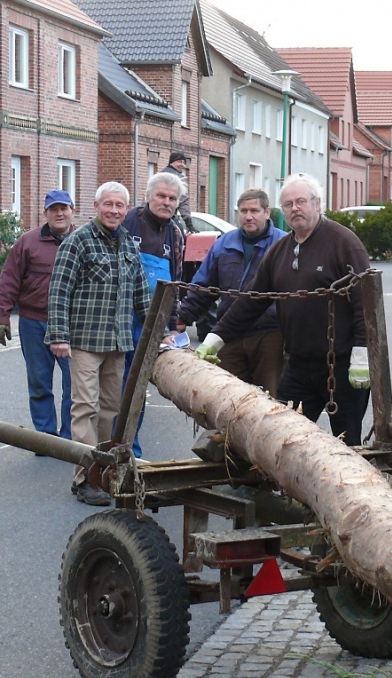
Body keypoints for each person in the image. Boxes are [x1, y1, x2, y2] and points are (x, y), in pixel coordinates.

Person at [195, 173, 373, 445]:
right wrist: (215, 339)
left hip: (341, 366)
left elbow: (365, 303)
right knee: (282, 439)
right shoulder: (279, 251)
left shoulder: (343, 243)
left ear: (317, 203)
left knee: (347, 442)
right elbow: (251, 301)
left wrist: (361, 356)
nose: (295, 209)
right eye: (288, 204)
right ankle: (283, 488)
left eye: (301, 201)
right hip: (299, 366)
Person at [47, 182, 151, 506]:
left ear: (126, 210)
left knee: (111, 410)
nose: (114, 211)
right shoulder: (78, 241)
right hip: (84, 343)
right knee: (85, 408)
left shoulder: (129, 245)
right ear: (96, 206)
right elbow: (59, 291)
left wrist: (158, 333)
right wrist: (59, 336)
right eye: (109, 204)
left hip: (117, 342)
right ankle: (83, 479)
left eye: (121, 206)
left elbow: (142, 295)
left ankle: (104, 475)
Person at [176, 187, 285, 396]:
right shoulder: (225, 243)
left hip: (269, 334)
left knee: (269, 397)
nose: (248, 216)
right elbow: (204, 286)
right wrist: (183, 318)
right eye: (243, 211)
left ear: (267, 212)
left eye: (254, 211)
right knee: (226, 397)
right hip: (229, 332)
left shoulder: (282, 244)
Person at [0, 189, 75, 441]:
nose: (59, 213)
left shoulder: (83, 240)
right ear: (45, 213)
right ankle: (46, 437)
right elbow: (9, 280)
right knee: (39, 382)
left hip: (74, 325)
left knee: (76, 385)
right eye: (53, 209)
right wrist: (0, 317)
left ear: (73, 210)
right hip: (34, 323)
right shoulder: (28, 243)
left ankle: (70, 438)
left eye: (64, 208)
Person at [120, 172, 186, 456]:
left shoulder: (175, 234)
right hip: (121, 320)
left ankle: (129, 448)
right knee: (113, 388)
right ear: (147, 196)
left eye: (172, 198)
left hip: (152, 323)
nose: (166, 202)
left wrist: (172, 327)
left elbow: (175, 283)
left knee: (136, 389)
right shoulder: (128, 223)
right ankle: (105, 446)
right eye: (161, 196)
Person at [161, 151, 195, 233]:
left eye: (184, 162)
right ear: (171, 162)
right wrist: (188, 223)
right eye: (179, 162)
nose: (182, 165)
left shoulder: (161, 174)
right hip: (167, 216)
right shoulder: (178, 178)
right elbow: (183, 200)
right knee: (178, 234)